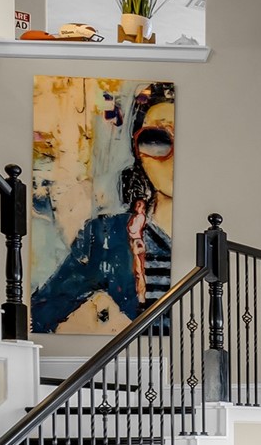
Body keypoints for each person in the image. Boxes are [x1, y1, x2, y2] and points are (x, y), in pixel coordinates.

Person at [30, 82, 175, 334]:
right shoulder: (106, 235)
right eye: (157, 139)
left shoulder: (208, 243)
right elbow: (39, 315)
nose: (174, 156)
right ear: (138, 152)